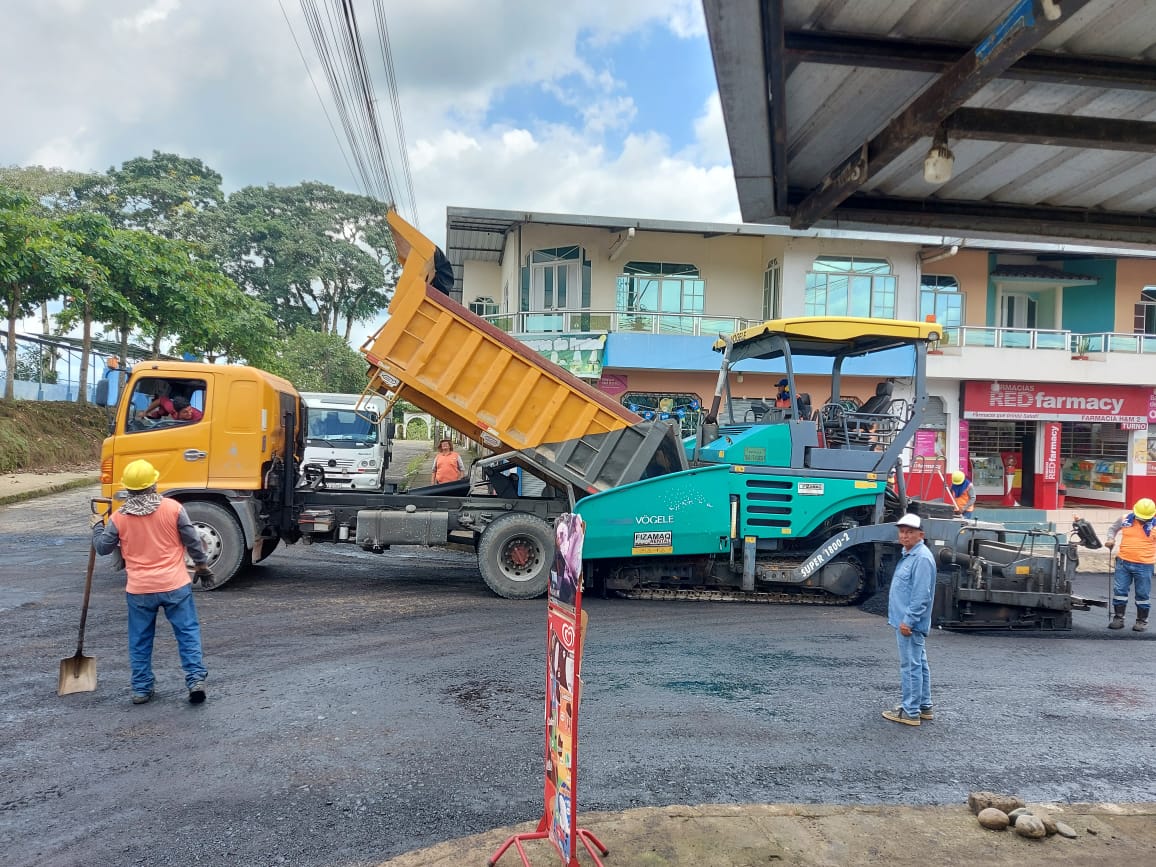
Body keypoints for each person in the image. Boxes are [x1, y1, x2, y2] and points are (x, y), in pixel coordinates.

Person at [91, 459, 215, 704]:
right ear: (154, 484)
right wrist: (201, 565)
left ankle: (141, 689)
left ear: (129, 488)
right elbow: (192, 540)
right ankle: (195, 680)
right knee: (187, 633)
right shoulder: (173, 508)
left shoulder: (119, 517)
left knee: (140, 639)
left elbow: (103, 548)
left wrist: (96, 527)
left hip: (140, 589)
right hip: (174, 585)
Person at [882, 513, 937, 727]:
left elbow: (921, 595)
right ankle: (924, 706)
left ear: (920, 535)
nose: (904, 536)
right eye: (902, 532)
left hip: (909, 623)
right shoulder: (910, 555)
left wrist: (909, 621)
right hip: (906, 621)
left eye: (910, 532)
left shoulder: (921, 558)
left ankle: (910, 711)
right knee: (919, 663)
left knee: (910, 666)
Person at [1104, 497, 1155, 632]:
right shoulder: (1125, 519)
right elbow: (1112, 529)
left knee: (1142, 594)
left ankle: (1141, 621)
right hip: (1123, 562)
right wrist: (1110, 539)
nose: (1143, 520)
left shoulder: (1154, 526)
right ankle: (1118, 618)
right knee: (1120, 591)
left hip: (1144, 565)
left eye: (1145, 518)